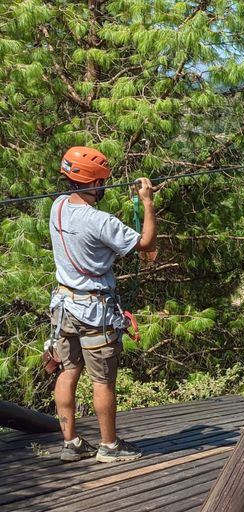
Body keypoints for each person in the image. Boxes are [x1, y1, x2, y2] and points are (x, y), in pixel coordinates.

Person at [50, 146, 156, 462]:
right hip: (94, 311)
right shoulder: (100, 221)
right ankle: (109, 447)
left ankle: (71, 442)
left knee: (68, 370)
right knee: (103, 380)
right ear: (95, 183)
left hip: (63, 307)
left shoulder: (57, 207)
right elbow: (146, 243)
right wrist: (147, 203)